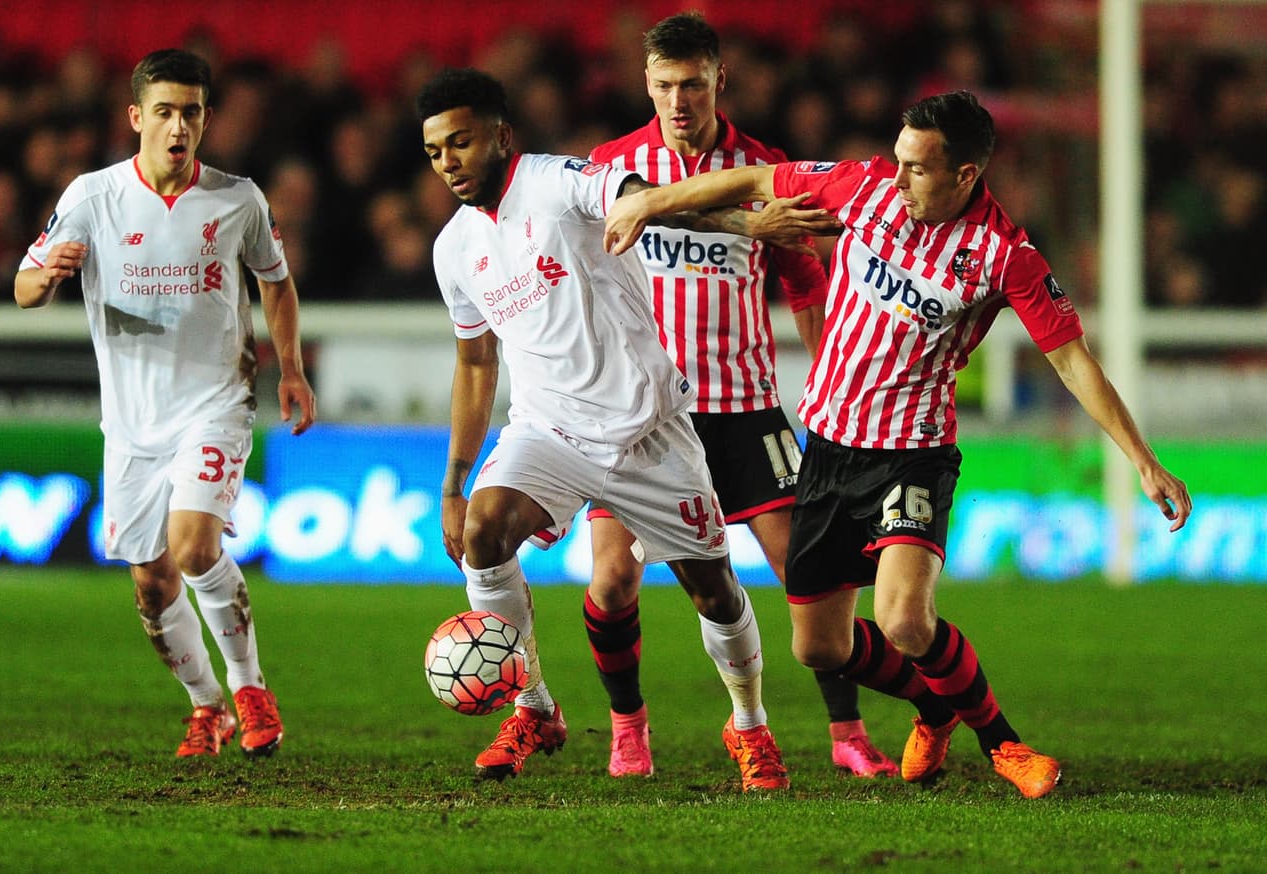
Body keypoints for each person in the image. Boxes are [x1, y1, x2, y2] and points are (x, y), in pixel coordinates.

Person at [604, 90, 1193, 798]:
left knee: (905, 620)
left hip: (912, 451)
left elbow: (1072, 361)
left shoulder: (1005, 256)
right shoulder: (866, 187)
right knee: (818, 646)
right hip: (827, 446)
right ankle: (935, 708)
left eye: (918, 167)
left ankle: (1004, 745)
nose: (900, 175)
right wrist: (649, 202)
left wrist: (1143, 460)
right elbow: (752, 179)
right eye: (899, 158)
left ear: (966, 175)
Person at [418, 67, 796, 790]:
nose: (448, 163)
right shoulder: (452, 248)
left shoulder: (556, 182)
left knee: (714, 591)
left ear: (501, 136)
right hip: (548, 433)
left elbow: (645, 201)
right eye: (435, 152)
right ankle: (534, 709)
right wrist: (454, 483)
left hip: (646, 430)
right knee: (484, 534)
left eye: (461, 142)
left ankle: (749, 724)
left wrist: (745, 225)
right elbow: (475, 363)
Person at [582, 12, 896, 780]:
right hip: (646, 414)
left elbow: (807, 286)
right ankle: (628, 727)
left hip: (745, 409)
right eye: (664, 85)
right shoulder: (613, 166)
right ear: (645, 83)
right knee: (613, 580)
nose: (679, 101)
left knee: (809, 577)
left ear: (719, 80)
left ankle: (848, 734)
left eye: (693, 84)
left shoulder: (766, 168)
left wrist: (832, 384)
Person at [14, 49, 316, 759]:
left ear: (205, 119)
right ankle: (208, 707)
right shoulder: (93, 197)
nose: (178, 126)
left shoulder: (238, 198)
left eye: (191, 112)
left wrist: (292, 370)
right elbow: (25, 287)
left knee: (194, 545)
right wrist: (48, 276)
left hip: (216, 403)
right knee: (152, 584)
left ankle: (250, 689)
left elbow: (275, 281)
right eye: (164, 112)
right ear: (135, 117)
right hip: (131, 424)